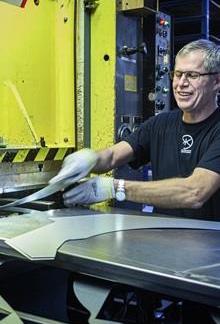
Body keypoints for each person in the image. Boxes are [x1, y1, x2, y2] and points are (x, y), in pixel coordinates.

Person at [51, 39, 220, 221]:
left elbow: (195, 192)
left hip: (209, 238)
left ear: (216, 81)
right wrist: (89, 160)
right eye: (178, 74)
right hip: (164, 235)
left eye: (192, 75)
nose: (181, 83)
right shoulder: (160, 124)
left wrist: (115, 188)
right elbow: (112, 156)